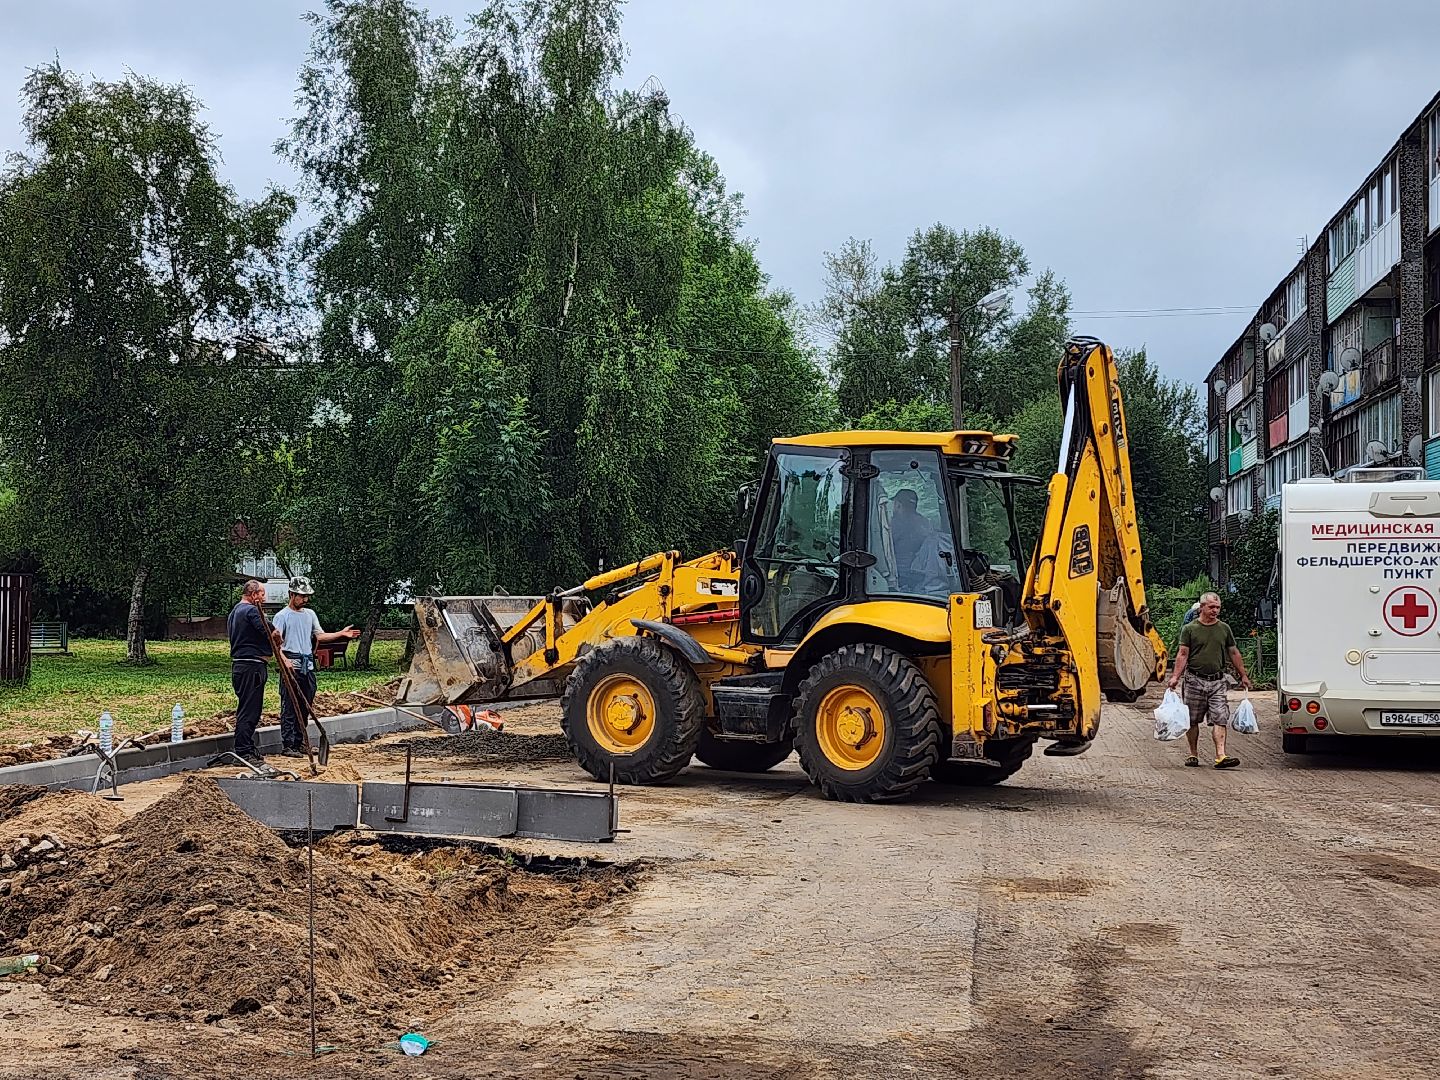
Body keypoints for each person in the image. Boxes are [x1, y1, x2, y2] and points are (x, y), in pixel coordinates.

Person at [271, 576, 361, 758]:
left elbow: (320, 636)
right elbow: (274, 643)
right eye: (301, 596)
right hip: (291, 666)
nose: (305, 600)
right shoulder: (281, 616)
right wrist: (283, 660)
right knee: (290, 706)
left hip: (307, 666)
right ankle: (288, 745)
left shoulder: (309, 614)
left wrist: (341, 634)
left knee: (305, 706)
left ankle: (300, 741)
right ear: (292, 594)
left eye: (306, 596)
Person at [1167, 591, 1252, 769]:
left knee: (1220, 717)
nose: (1215, 610)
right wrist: (1175, 676)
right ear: (1202, 607)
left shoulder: (1224, 628)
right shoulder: (1190, 629)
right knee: (1192, 719)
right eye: (1211, 607)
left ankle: (1221, 755)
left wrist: (1243, 675)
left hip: (1218, 681)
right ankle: (1193, 754)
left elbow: (1234, 652)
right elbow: (1183, 654)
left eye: (1218, 607)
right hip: (1194, 680)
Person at [227, 579, 275, 766]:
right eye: (262, 594)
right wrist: (276, 636)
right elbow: (269, 632)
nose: (264, 598)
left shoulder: (235, 612)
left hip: (240, 666)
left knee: (246, 707)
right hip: (252, 667)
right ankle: (243, 751)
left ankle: (246, 747)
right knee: (250, 710)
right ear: (253, 594)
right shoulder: (252, 611)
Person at [889, 489, 933, 592]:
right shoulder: (925, 523)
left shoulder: (893, 524)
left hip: (898, 576)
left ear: (898, 505)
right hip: (921, 576)